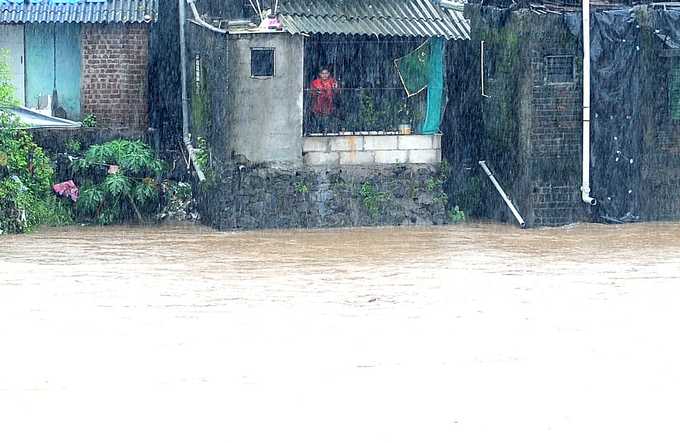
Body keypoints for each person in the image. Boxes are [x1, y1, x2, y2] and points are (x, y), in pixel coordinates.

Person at [309, 68, 339, 134]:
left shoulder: (332, 81)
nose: (324, 75)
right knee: (318, 123)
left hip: (329, 106)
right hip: (318, 106)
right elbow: (312, 93)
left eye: (326, 73)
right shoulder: (315, 82)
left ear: (329, 74)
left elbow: (337, 92)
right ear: (320, 74)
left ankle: (327, 131)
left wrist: (335, 88)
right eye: (323, 73)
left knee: (328, 121)